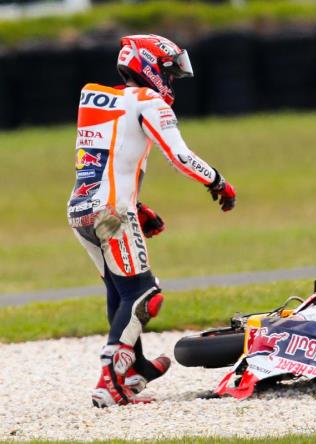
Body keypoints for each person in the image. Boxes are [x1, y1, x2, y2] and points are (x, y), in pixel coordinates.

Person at [66, 34, 236, 408]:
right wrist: (219, 183)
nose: (171, 81)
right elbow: (179, 156)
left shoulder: (92, 97)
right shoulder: (148, 100)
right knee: (145, 294)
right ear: (150, 67)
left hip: (80, 210)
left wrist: (139, 206)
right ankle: (110, 380)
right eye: (168, 72)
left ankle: (135, 367)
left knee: (119, 290)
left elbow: (104, 157)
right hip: (112, 211)